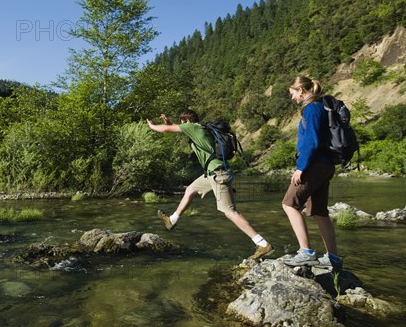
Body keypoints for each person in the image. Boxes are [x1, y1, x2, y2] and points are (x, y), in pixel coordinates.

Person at [146, 109, 274, 260]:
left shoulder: (193, 127)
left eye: (181, 123)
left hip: (218, 175)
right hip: (211, 173)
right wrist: (168, 123)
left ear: (186, 122)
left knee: (230, 212)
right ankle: (172, 220)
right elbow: (173, 128)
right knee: (191, 190)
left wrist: (152, 126)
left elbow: (166, 130)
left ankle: (262, 244)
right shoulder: (200, 128)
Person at [281, 76, 342, 271]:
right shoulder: (320, 107)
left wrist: (301, 167)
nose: (292, 98)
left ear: (300, 90)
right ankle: (333, 259)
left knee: (289, 204)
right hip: (324, 165)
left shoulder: (312, 108)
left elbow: (312, 142)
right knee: (319, 211)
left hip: (314, 165)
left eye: (292, 94)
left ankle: (305, 252)